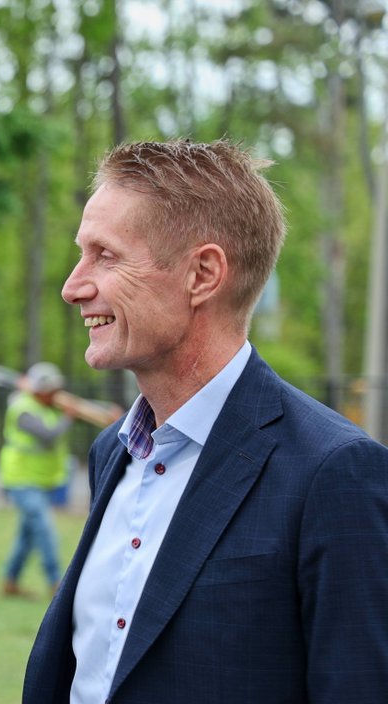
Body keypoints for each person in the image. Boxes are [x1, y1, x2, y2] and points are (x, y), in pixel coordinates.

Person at [24, 139, 388, 703]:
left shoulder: (333, 472)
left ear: (203, 274)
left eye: (106, 255)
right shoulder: (112, 453)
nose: (74, 286)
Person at [0, 362, 72, 597]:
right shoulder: (23, 408)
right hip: (21, 479)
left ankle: (10, 582)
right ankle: (56, 583)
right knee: (44, 528)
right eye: (53, 390)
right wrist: (69, 416)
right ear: (42, 390)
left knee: (27, 535)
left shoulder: (46, 407)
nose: (57, 394)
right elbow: (48, 436)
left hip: (38, 480)